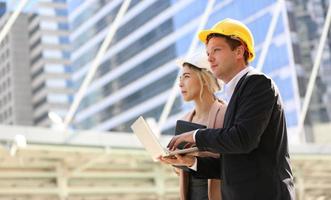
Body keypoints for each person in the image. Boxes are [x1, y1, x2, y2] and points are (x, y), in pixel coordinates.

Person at [166, 18, 295, 200]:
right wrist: (191, 161)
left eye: (216, 50)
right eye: (208, 52)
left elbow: (242, 139)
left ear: (239, 51)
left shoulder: (257, 83)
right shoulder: (236, 94)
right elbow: (230, 165)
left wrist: (194, 136)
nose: (209, 57)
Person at [160, 51, 227, 200]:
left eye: (187, 77)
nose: (180, 83)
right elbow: (183, 171)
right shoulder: (184, 120)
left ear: (204, 79)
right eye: (180, 78)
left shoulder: (226, 114)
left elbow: (234, 166)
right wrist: (175, 162)